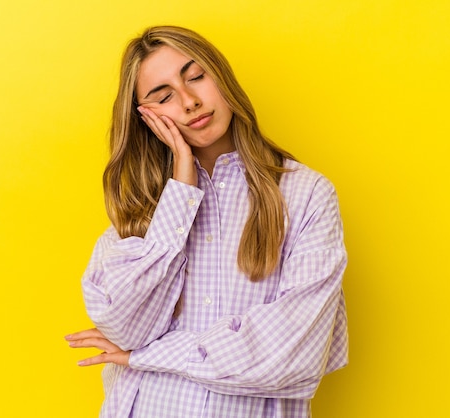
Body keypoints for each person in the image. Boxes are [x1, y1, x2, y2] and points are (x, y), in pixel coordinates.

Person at [65, 25, 348, 418]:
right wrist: (180, 190)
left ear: (222, 76)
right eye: (162, 97)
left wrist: (145, 356)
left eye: (196, 77)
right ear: (145, 117)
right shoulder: (142, 208)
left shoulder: (306, 195)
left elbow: (292, 354)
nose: (189, 101)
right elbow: (126, 329)